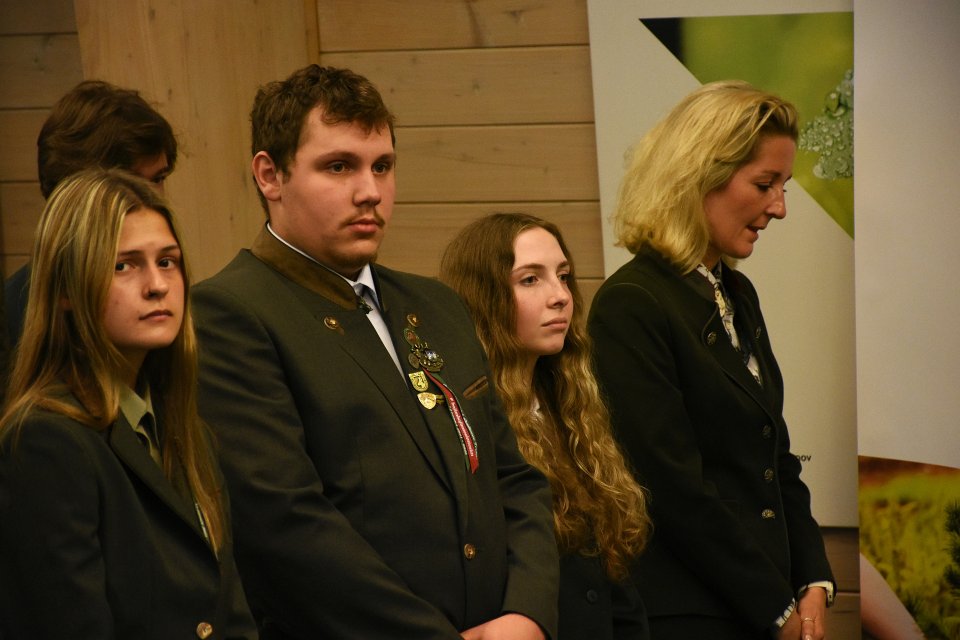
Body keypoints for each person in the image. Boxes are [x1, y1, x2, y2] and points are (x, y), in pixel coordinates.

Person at [191, 65, 559, 639]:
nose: (369, 192)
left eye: (382, 166)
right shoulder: (229, 312)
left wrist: (528, 613)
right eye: (339, 166)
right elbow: (285, 525)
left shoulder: (437, 304)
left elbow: (514, 479)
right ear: (270, 175)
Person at [587, 81, 835, 640]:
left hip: (763, 600)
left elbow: (775, 454)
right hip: (691, 614)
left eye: (784, 187)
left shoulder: (737, 294)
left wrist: (813, 580)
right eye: (765, 184)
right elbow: (673, 489)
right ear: (699, 175)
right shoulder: (632, 303)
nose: (780, 208)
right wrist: (776, 610)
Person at [0, 169, 255, 639]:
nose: (157, 285)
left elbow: (228, 611)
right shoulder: (46, 441)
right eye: (124, 265)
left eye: (168, 261)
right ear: (66, 290)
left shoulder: (186, 430)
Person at [440, 212, 653, 639]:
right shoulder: (461, 423)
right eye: (530, 279)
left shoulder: (570, 406)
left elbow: (609, 575)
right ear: (484, 298)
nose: (560, 297)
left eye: (564, 276)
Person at [3, 79, 177, 348]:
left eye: (158, 179)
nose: (149, 200)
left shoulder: (167, 289)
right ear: (74, 196)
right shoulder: (13, 322)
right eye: (128, 184)